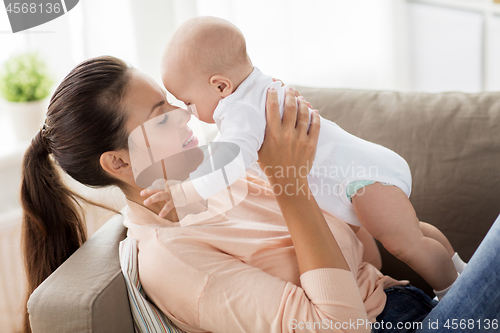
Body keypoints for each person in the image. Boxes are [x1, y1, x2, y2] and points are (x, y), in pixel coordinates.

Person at [20, 56, 500, 333]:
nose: (187, 116)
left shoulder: (222, 172)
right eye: (161, 113)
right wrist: (291, 185)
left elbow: (367, 254)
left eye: (175, 102)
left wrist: (315, 160)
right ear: (119, 163)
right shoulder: (173, 258)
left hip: (420, 304)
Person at [144, 16, 465, 300]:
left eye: (189, 102)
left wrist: (188, 190)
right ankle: (462, 270)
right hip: (365, 174)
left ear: (220, 85)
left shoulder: (239, 111)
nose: (189, 113)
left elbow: (231, 158)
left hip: (362, 181)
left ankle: (451, 293)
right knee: (415, 233)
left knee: (406, 245)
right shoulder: (258, 89)